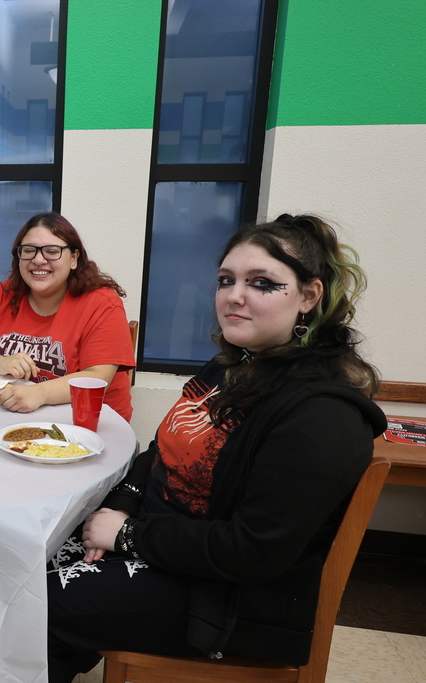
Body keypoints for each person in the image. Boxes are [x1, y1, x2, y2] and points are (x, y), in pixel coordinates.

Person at [46, 214, 386, 682]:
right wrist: (122, 506)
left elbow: (252, 553)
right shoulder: (236, 364)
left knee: (33, 601)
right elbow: (159, 453)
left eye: (262, 283)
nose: (234, 296)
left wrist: (125, 536)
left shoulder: (322, 415)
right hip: (164, 544)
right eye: (227, 280)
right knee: (25, 556)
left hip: (223, 599)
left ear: (309, 295)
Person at [0, 212, 136, 420]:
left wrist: (40, 393)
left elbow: (97, 379)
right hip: (10, 416)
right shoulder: (2, 295)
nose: (38, 260)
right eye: (29, 251)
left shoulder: (103, 304)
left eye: (52, 251)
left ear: (74, 259)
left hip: (88, 422)